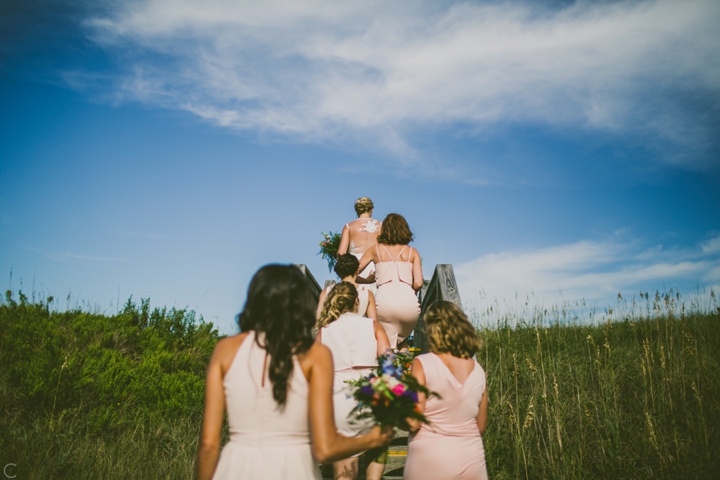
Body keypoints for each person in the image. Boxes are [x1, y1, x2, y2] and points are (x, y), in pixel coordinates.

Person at [196, 265, 394, 480]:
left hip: (237, 466)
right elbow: (325, 448)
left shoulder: (225, 350)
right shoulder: (315, 354)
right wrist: (373, 439)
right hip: (295, 468)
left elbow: (208, 446)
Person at [403, 301, 489, 480]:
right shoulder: (478, 370)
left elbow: (413, 422)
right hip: (472, 459)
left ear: (432, 330)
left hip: (431, 462)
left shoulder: (422, 364)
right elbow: (480, 426)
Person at [316, 282, 391, 480]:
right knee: (380, 440)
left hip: (338, 400)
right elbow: (390, 367)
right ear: (357, 301)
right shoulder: (373, 326)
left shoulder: (324, 331)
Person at [357, 213, 422, 349]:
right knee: (401, 341)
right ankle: (405, 368)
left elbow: (353, 270)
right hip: (409, 304)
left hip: (384, 302)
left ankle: (390, 369)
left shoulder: (375, 250)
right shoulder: (412, 252)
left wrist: (364, 279)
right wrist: (410, 291)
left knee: (387, 345)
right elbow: (418, 283)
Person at [316, 254, 378, 322]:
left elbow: (319, 320)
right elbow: (373, 323)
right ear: (357, 271)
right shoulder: (367, 294)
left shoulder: (326, 292)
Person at [338, 197, 381, 285]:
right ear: (371, 210)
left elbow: (341, 253)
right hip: (375, 269)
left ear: (356, 210)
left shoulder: (349, 226)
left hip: (355, 267)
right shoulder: (381, 226)